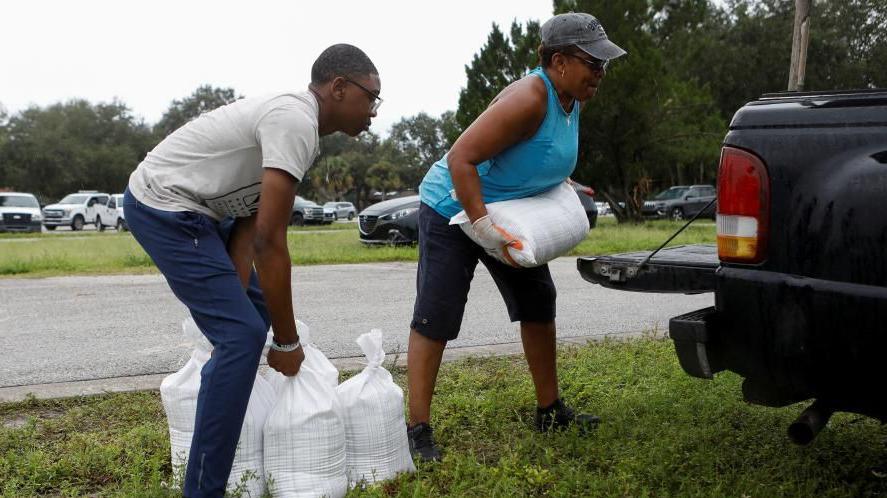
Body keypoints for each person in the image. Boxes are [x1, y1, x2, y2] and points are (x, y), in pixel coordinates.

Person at [123, 44, 381, 497]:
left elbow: (247, 226)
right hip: (164, 205)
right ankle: (202, 491)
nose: (374, 110)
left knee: (247, 319)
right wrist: (286, 341)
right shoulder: (294, 119)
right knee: (242, 336)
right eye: (371, 96)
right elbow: (270, 241)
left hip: (204, 212)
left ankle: (224, 381)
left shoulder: (303, 129)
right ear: (339, 88)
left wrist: (245, 305)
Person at [405, 12, 626, 462]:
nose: (600, 73)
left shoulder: (573, 98)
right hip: (452, 208)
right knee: (437, 315)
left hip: (508, 211)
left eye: (605, 64)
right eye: (593, 63)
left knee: (538, 301)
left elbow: (534, 155)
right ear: (559, 61)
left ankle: (550, 410)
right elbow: (461, 157)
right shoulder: (531, 97)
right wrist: (482, 227)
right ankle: (417, 429)